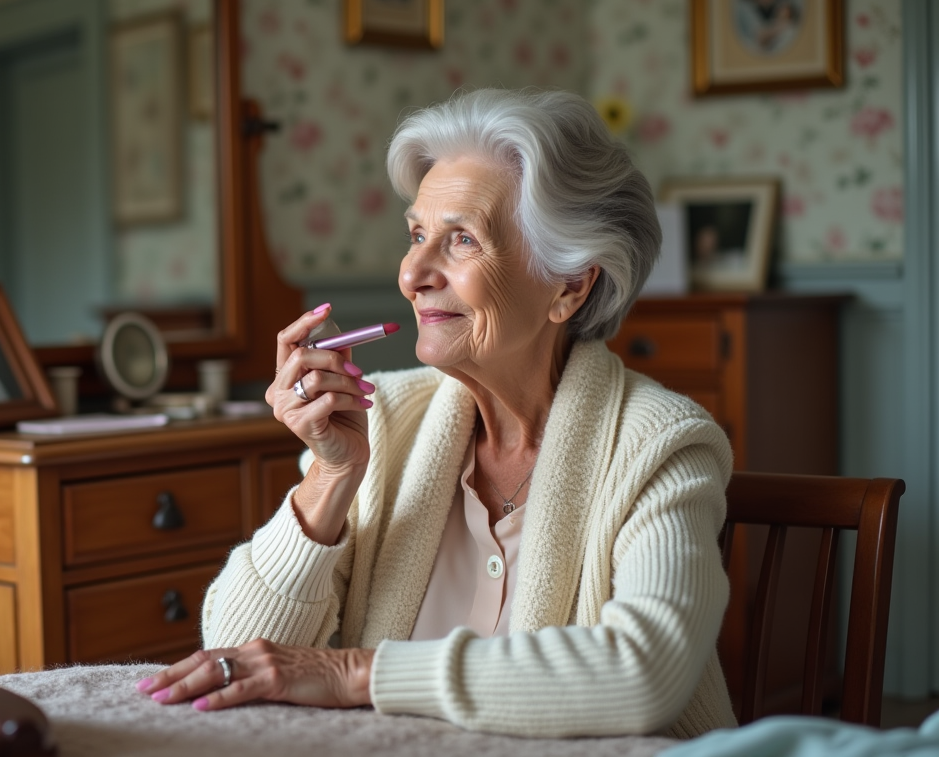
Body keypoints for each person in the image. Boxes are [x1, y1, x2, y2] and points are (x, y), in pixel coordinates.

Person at [139, 89, 735, 738]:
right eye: (417, 234)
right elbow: (239, 656)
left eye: (461, 240)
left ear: (569, 285)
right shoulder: (385, 417)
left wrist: (354, 674)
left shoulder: (661, 443)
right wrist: (332, 477)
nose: (413, 272)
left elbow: (642, 675)